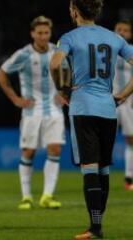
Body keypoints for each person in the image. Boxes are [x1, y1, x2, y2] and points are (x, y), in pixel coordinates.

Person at [50, 0, 133, 239]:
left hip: (83, 106)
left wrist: (63, 90)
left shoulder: (69, 37)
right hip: (108, 108)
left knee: (90, 168)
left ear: (74, 11)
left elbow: (54, 63)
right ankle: (98, 223)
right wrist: (124, 95)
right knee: (104, 168)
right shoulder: (114, 38)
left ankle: (95, 228)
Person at [0, 16, 67, 210]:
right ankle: (26, 197)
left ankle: (47, 195)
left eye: (46, 33)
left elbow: (69, 73)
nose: (43, 36)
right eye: (40, 33)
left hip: (54, 109)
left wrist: (64, 93)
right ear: (32, 34)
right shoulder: (23, 54)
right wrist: (15, 99)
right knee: (28, 152)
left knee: (55, 149)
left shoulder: (57, 52)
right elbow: (1, 74)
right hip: (31, 110)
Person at [113, 20, 133, 191]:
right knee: (101, 139)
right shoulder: (105, 50)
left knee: (131, 140)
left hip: (128, 103)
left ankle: (129, 178)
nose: (122, 32)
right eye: (119, 29)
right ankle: (97, 175)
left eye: (125, 30)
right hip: (108, 102)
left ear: (130, 34)